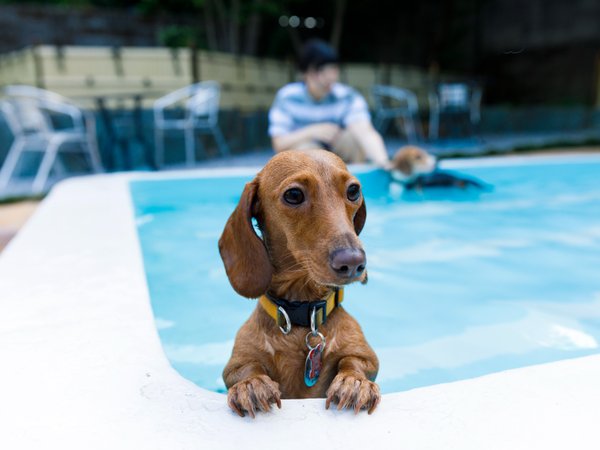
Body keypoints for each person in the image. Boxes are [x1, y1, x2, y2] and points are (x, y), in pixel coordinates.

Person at [268, 39, 389, 167]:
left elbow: (365, 132)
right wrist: (313, 131)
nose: (328, 77)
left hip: (340, 156)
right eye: (320, 70)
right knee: (305, 149)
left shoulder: (347, 96)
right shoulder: (287, 97)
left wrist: (384, 162)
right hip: (306, 165)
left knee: (352, 139)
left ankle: (353, 184)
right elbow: (279, 143)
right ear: (305, 73)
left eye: (332, 69)